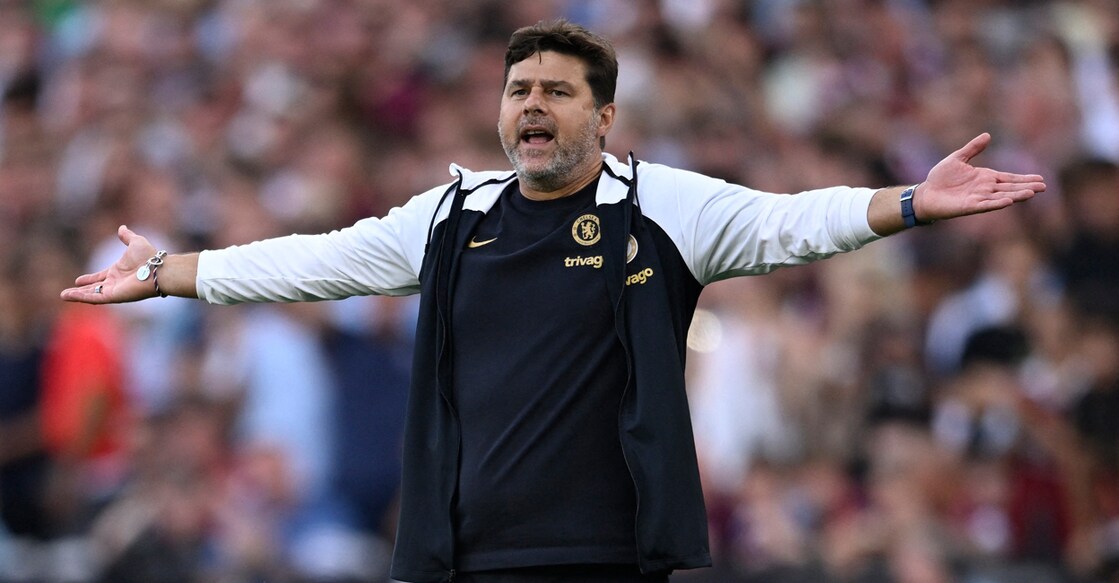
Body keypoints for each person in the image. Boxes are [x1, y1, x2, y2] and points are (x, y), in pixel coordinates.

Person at [61, 19, 1046, 583]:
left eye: (558, 91)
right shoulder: (453, 212)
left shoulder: (659, 203)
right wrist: (166, 272)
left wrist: (912, 201)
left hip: (610, 552)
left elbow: (795, 221)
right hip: (468, 553)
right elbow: (319, 260)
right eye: (518, 88)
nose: (531, 104)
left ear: (605, 115)